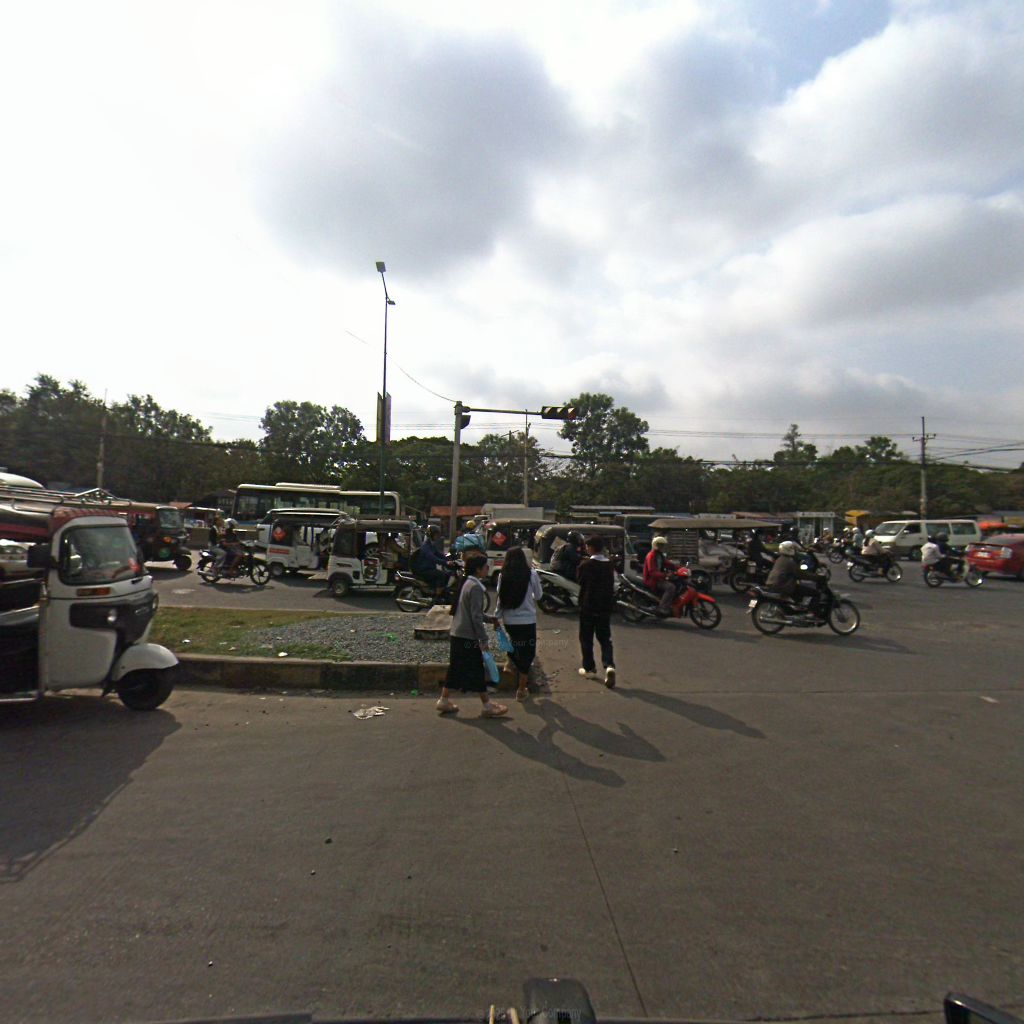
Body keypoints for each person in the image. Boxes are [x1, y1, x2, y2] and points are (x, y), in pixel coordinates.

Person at [436, 550, 507, 718]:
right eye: (485, 566)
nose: (487, 568)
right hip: (467, 635)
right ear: (478, 569)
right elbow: (475, 617)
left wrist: (490, 619)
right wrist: (483, 639)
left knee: (456, 668)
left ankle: (444, 700)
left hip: (458, 633)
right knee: (476, 670)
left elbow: (474, 613)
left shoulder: (467, 582)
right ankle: (487, 706)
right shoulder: (475, 587)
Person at [495, 545, 543, 702]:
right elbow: (539, 596)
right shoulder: (531, 574)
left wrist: (496, 616)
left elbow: (500, 597)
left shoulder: (503, 575)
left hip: (510, 620)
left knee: (516, 643)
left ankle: (510, 661)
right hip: (527, 620)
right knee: (527, 652)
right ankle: (521, 689)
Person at [577, 534, 617, 687]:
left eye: (587, 546)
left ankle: (589, 669)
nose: (586, 549)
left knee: (586, 638)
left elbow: (580, 581)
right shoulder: (609, 565)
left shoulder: (586, 565)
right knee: (605, 639)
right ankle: (609, 665)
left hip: (588, 606)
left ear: (591, 548)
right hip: (604, 608)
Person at [766, 539, 820, 609]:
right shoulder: (790, 562)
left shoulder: (780, 559)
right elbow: (801, 574)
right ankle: (812, 612)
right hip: (783, 586)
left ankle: (797, 606)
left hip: (773, 584)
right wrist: (817, 577)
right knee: (815, 593)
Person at [643, 535, 679, 616]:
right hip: (652, 580)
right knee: (671, 587)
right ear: (656, 545)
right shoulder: (651, 555)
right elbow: (652, 572)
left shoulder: (659, 555)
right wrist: (665, 575)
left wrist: (678, 568)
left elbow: (667, 563)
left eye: (663, 545)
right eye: (660, 545)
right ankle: (662, 608)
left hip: (658, 578)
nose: (662, 547)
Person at [412, 526, 450, 596]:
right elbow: (433, 558)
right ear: (431, 535)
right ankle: (437, 596)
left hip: (430, 568)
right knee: (441, 575)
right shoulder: (425, 546)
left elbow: (439, 554)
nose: (437, 536)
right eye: (436, 534)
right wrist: (445, 562)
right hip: (425, 570)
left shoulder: (432, 545)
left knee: (448, 574)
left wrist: (450, 560)